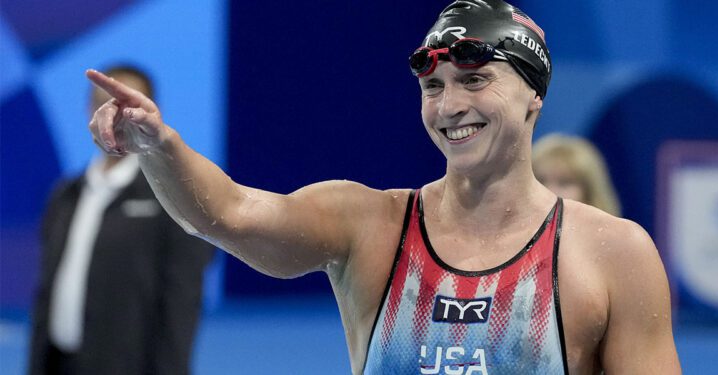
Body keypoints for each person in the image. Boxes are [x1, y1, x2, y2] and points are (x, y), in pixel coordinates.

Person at [83, 1, 681, 373]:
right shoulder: (369, 225)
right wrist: (158, 147)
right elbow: (228, 213)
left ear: (534, 96)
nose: (450, 105)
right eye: (434, 86)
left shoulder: (613, 254)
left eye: (475, 80)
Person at [29, 65, 214, 375]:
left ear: (153, 113)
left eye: (127, 107)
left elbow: (182, 303)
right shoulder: (65, 195)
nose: (113, 117)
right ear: (89, 111)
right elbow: (47, 292)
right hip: (59, 362)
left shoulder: (174, 198)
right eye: (102, 104)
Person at [533, 133, 622, 216]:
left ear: (589, 193)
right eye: (540, 181)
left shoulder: (615, 232)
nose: (549, 191)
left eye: (564, 182)